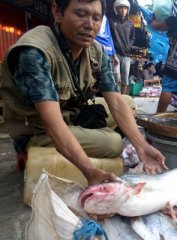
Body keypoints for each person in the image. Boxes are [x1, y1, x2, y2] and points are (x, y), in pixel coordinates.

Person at [0, 0, 166, 188]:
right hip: (38, 129)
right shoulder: (34, 52)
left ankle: (83, 139)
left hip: (70, 114)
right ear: (57, 12)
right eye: (80, 14)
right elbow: (51, 121)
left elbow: (116, 102)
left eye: (96, 18)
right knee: (114, 144)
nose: (89, 25)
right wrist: (89, 171)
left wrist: (141, 146)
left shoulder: (95, 51)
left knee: (126, 102)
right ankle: (35, 151)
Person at [110, 0, 135, 94]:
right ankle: (116, 98)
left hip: (126, 55)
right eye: (121, 8)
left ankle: (122, 97)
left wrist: (129, 45)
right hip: (115, 54)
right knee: (116, 78)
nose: (123, 10)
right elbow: (109, 37)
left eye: (125, 8)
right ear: (116, 9)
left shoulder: (130, 23)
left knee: (125, 80)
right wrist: (113, 52)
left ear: (128, 10)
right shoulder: (111, 21)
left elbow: (133, 37)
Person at [95, 15, 120, 83]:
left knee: (109, 77)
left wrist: (114, 54)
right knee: (96, 77)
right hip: (97, 49)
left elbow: (109, 36)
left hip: (108, 51)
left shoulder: (106, 18)